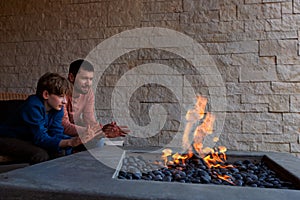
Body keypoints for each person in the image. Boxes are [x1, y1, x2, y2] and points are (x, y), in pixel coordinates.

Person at [0, 72, 99, 164]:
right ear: (46, 95)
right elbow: (40, 138)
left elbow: (56, 133)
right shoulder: (32, 106)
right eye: (61, 96)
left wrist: (77, 140)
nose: (65, 101)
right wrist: (71, 142)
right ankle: (33, 181)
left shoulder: (57, 108)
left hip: (30, 138)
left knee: (60, 150)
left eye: (65, 97)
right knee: (40, 154)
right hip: (8, 138)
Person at [62, 59, 129, 148]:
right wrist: (95, 132)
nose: (88, 83)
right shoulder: (61, 92)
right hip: (58, 131)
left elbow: (89, 120)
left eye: (91, 79)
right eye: (84, 78)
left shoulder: (88, 93)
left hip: (76, 130)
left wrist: (103, 130)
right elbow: (64, 125)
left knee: (99, 141)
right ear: (71, 77)